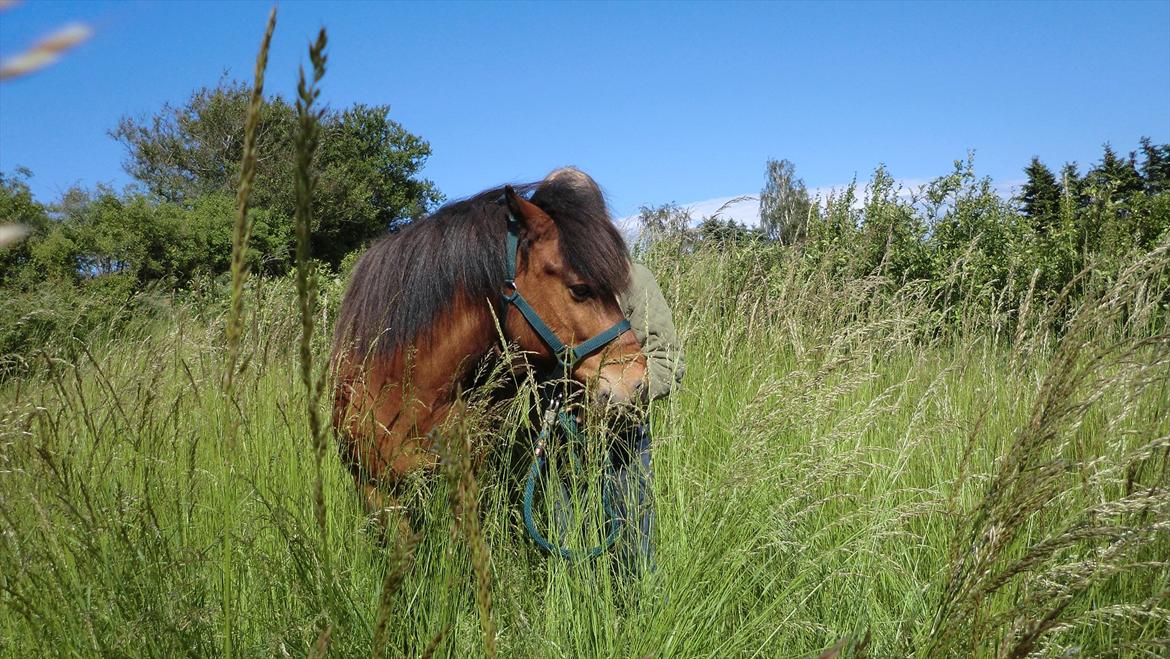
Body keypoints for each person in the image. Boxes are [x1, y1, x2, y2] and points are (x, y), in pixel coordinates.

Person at [610, 259, 684, 577]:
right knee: (568, 551)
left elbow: (667, 362)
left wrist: (612, 399)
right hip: (563, 444)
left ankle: (643, 602)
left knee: (636, 558)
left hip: (625, 440)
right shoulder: (548, 281)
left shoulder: (632, 278)